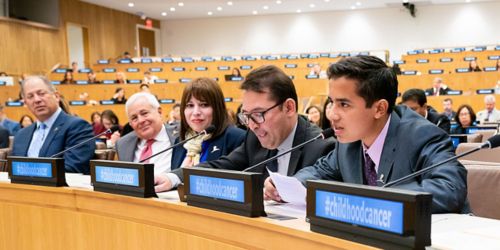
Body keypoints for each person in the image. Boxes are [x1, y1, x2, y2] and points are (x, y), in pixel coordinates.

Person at [265, 55, 468, 214]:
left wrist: (374, 199)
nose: (332, 114)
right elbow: (319, 172)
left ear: (379, 108)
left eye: (344, 104)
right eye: (332, 102)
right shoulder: (348, 142)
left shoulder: (423, 135)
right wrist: (286, 186)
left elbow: (449, 188)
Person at [155, 65, 336, 192]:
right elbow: (221, 167)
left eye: (258, 114)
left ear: (288, 108)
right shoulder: (254, 139)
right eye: (247, 116)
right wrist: (174, 177)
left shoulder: (320, 146)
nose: (252, 125)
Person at [11, 75, 95, 174]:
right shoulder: (21, 135)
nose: (37, 100)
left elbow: (72, 169)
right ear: (25, 103)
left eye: (41, 93)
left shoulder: (78, 127)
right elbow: (13, 170)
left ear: (56, 96)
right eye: (30, 96)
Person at [169, 77, 245, 171]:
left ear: (217, 108)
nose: (196, 112)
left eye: (204, 105)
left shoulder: (236, 138)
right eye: (190, 105)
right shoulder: (179, 142)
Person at [115, 92, 179, 175]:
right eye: (134, 118)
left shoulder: (180, 135)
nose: (140, 120)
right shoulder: (123, 144)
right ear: (130, 124)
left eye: (144, 113)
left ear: (159, 112)